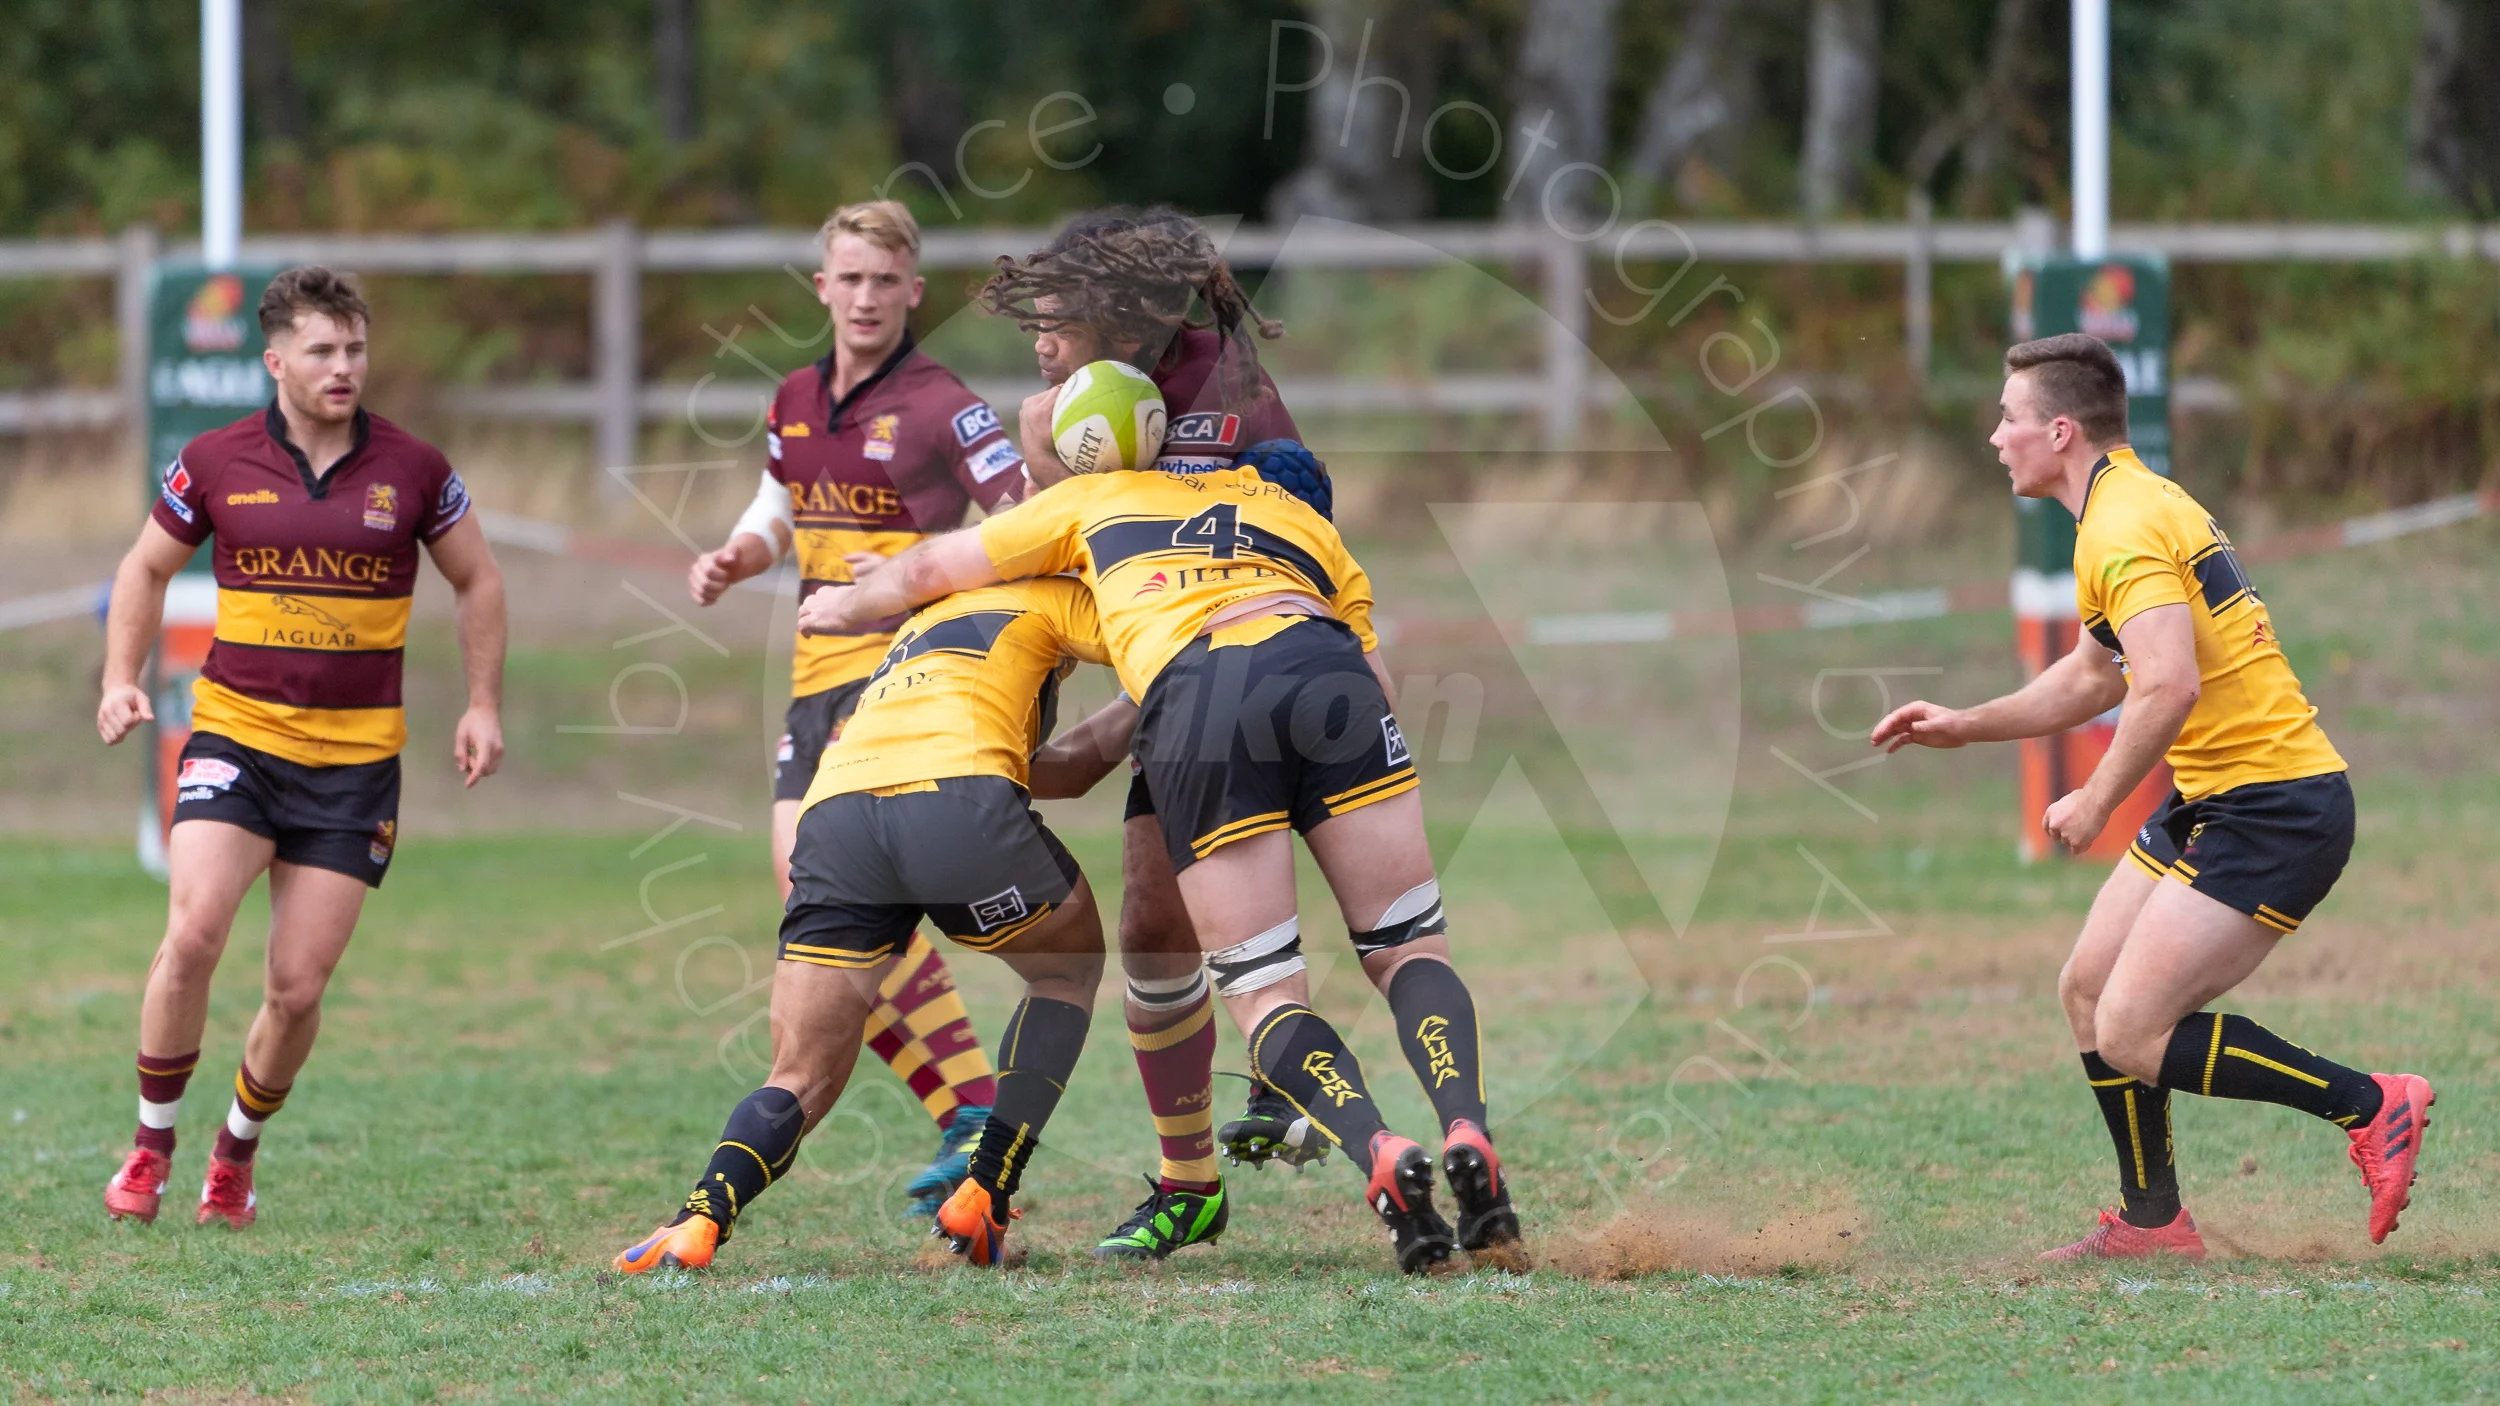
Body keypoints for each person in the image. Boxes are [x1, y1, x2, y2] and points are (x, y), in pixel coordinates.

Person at [800, 275, 1528, 1272]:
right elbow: (1377, 673)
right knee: (1408, 946)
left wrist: (843, 608)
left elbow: (934, 568)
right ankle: (1462, 1125)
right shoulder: (1277, 501)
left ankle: (1380, 1148)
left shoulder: (1085, 505)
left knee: (1264, 992)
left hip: (1202, 701)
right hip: (1326, 672)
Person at [1871, 332, 2433, 1260]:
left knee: (2134, 1030)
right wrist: (1965, 722)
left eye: (2007, 419)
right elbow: (2098, 675)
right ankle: (2152, 1221)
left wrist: (2093, 800)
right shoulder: (2122, 504)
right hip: (2219, 797)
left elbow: (2165, 684)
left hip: (2276, 808)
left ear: (2058, 431)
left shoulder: (2124, 526)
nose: (1993, 437)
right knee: (2088, 991)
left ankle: (2371, 1105)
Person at [98, 266, 507, 1228]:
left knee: (294, 989)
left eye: (356, 348)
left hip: (356, 766)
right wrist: (121, 677)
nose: (344, 367)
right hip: (237, 737)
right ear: (275, 359)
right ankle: (151, 1148)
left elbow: (478, 582)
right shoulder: (214, 459)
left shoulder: (416, 470)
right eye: (323, 350)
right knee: (193, 934)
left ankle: (233, 1156)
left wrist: (483, 704)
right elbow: (145, 566)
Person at [974, 206, 1327, 1264]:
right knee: (1150, 920)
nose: (1037, 335)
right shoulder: (1055, 416)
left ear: (1121, 319)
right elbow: (1065, 559)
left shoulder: (1230, 387)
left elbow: (1311, 520)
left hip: (1268, 670)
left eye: (1057, 315)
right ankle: (1191, 1184)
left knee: (1263, 902)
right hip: (1166, 690)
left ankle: (1294, 1083)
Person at [615, 576, 1112, 1272]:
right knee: (1067, 972)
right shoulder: (1062, 598)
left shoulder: (929, 614)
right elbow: (1167, 652)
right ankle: (987, 1190)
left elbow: (1053, 767)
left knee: (801, 1073)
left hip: (839, 806)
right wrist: (1145, 701)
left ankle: (698, 1220)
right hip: (954, 798)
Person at [687, 200, 1025, 1219]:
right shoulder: (795, 395)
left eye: (886, 279)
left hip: (902, 679)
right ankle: (967, 1107)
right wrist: (737, 555)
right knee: (809, 897)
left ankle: (971, 1105)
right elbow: (776, 506)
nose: (867, 296)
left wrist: (924, 573)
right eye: (850, 277)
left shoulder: (944, 405)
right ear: (823, 286)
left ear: (913, 290)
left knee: (829, 891)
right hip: (811, 675)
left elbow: (1022, 524)